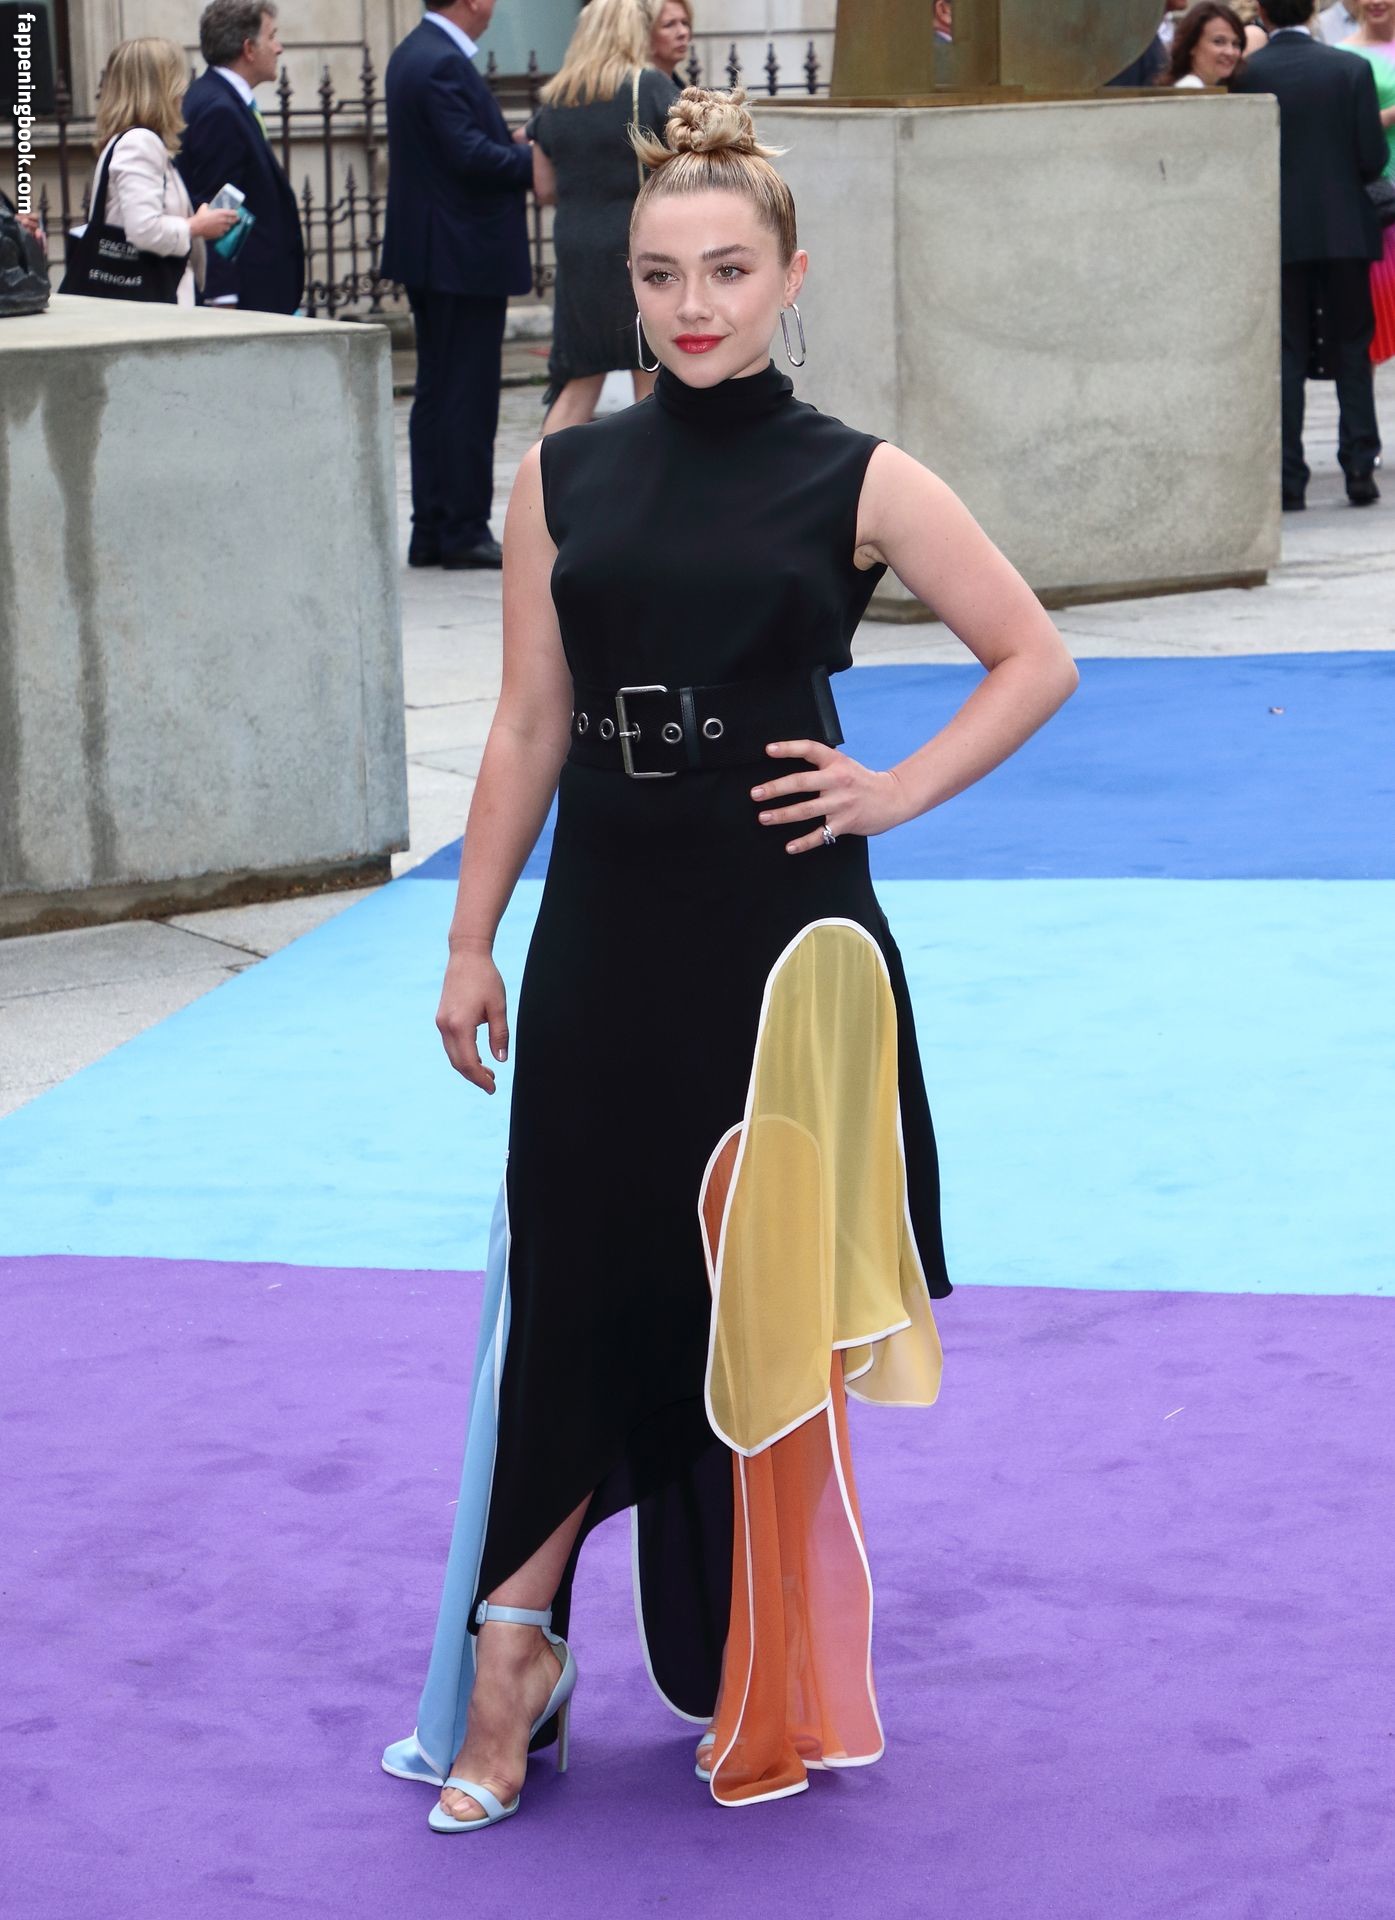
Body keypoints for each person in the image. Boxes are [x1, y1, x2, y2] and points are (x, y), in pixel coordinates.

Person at [380, 84, 1078, 1833]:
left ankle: (745, 1651)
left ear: (789, 277)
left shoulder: (857, 475)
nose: (692, 305)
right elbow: (528, 721)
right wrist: (469, 937)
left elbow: (1031, 656)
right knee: (574, 1280)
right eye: (659, 275)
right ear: (624, 282)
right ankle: (514, 1651)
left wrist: (892, 788)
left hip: (780, 945)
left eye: (727, 271)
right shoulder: (562, 473)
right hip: (608, 922)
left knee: (741, 1298)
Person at [381, 0, 535, 571]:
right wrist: (533, 161)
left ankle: (432, 528)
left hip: (438, 254)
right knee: (465, 396)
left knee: (438, 391)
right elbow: (469, 156)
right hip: (459, 257)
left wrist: (509, 144)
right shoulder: (440, 60)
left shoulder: (415, 52)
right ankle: (463, 529)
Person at [1233, 0, 1387, 507]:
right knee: (1353, 348)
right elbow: (1372, 158)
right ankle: (1360, 467)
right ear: (1312, 11)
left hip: (1276, 230)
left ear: (1262, 11)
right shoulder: (1350, 68)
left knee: (1288, 353)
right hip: (1345, 230)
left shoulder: (1248, 74)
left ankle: (1289, 478)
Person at [529, 0, 678, 431]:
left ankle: (546, 472)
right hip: (634, 245)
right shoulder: (649, 86)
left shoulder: (556, 99)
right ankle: (650, 473)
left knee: (579, 382)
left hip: (576, 248)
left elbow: (544, 188)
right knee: (648, 375)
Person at [77, 37, 236, 308]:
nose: (183, 94)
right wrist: (196, 226)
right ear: (162, 89)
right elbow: (144, 230)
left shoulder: (132, 141)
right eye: (177, 83)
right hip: (148, 308)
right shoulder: (140, 143)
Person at [177, 2, 306, 314]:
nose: (278, 47)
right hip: (246, 299)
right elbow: (215, 205)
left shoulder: (223, 98)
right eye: (271, 37)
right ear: (248, 48)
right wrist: (223, 296)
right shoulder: (219, 109)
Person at [1341, 0, 1395, 362]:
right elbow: (1342, 127)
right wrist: (1390, 115)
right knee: (1378, 319)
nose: (1374, 1)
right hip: (1381, 198)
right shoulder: (1343, 55)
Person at [1163, 3, 1248, 84]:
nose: (1230, 52)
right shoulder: (1190, 88)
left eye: (1235, 44)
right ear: (1192, 45)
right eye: (1218, 42)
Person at [647, 0, 693, 81]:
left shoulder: (677, 84)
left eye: (685, 23)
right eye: (669, 24)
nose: (683, 32)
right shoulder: (637, 85)